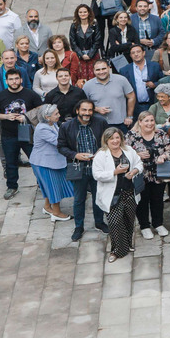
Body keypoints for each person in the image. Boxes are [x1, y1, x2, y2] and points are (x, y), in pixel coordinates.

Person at [57, 99, 109, 241]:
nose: (87, 113)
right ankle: (78, 226)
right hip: (78, 167)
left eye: (90, 110)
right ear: (77, 110)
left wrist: (102, 150)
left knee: (98, 196)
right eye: (84, 110)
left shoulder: (100, 122)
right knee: (79, 199)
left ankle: (99, 222)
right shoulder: (66, 126)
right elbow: (61, 146)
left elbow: (108, 140)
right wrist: (75, 155)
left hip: (97, 167)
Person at [92, 127, 144, 262]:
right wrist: (114, 173)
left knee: (129, 220)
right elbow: (96, 175)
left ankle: (127, 244)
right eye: (111, 139)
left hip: (129, 192)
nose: (115, 141)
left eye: (117, 137)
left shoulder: (128, 150)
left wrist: (133, 172)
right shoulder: (101, 155)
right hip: (112, 195)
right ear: (106, 140)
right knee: (115, 223)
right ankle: (116, 250)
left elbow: (139, 163)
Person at [0, 69, 43, 200]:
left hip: (28, 133)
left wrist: (26, 117)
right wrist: (5, 116)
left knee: (36, 160)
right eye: (11, 79)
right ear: (6, 81)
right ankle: (12, 186)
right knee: (10, 162)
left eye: (16, 79)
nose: (14, 82)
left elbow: (41, 111)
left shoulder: (30, 94)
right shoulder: (0, 95)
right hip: (9, 134)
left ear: (21, 80)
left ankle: (42, 183)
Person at [30, 105, 72, 221]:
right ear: (47, 117)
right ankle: (56, 212)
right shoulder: (42, 128)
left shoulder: (52, 124)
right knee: (54, 187)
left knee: (50, 185)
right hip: (44, 163)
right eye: (56, 114)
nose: (59, 115)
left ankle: (47, 207)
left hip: (52, 161)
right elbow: (58, 142)